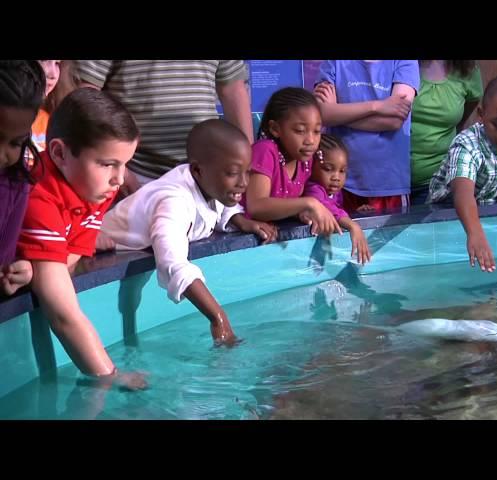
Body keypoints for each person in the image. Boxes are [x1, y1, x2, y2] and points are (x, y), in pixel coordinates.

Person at [99, 119, 278, 345]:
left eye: (247, 172)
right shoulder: (172, 200)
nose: (243, 183)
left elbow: (220, 203)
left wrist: (238, 220)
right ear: (197, 170)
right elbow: (173, 264)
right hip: (96, 247)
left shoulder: (208, 179)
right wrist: (218, 317)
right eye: (233, 173)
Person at [16, 88, 146, 390]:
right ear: (60, 153)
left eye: (125, 163)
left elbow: (70, 257)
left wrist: (39, 268)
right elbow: (62, 315)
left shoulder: (92, 185)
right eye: (107, 163)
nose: (118, 179)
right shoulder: (39, 196)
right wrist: (109, 376)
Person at [75, 60, 253, 195]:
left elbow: (233, 90)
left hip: (208, 176)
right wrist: (117, 168)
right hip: (135, 173)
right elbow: (86, 94)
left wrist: (249, 162)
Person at [428, 75, 497, 273]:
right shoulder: (467, 145)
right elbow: (462, 194)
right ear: (481, 114)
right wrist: (475, 233)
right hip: (447, 216)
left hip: (489, 208)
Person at [314, 60, 420, 212]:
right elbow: (321, 115)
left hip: (388, 184)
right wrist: (379, 106)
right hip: (337, 182)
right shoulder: (334, 62)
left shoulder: (405, 62)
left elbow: (395, 120)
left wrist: (337, 113)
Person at [245, 87, 341, 237]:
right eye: (300, 130)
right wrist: (308, 203)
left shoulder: (305, 161)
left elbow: (285, 203)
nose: (310, 141)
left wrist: (299, 214)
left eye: (316, 131)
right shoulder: (265, 151)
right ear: (275, 128)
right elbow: (256, 206)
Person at [0, 61, 46, 296]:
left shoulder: (16, 186)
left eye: (15, 143)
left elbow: (4, 262)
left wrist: (21, 272)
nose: (2, 154)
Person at [410, 60, 483, 204]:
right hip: (392, 182)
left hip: (437, 183)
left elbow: (464, 119)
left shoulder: (467, 70)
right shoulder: (399, 63)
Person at [303, 134, 371, 264]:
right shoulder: (313, 189)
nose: (336, 177)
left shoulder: (335, 192)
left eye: (342, 171)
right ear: (311, 166)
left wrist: (355, 211)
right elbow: (326, 208)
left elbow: (337, 208)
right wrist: (352, 225)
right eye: (328, 169)